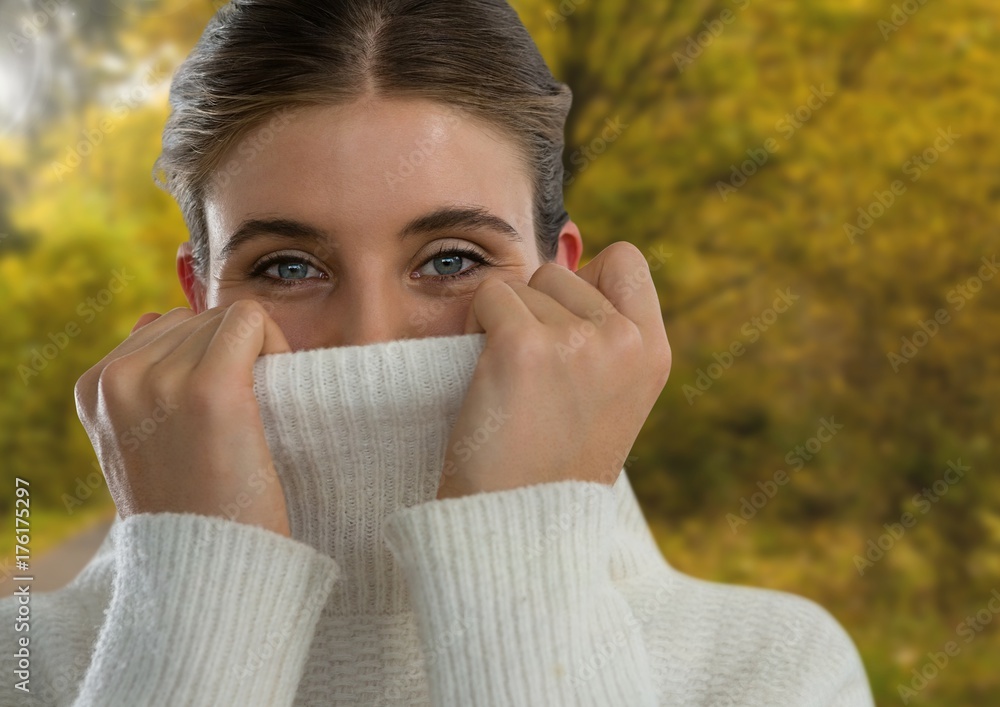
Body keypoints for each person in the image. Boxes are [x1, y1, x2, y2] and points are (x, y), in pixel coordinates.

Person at [0, 1, 876, 704]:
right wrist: (195, 587)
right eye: (289, 266)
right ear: (200, 298)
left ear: (555, 282)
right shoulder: (28, 666)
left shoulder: (771, 670)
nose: (370, 336)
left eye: (450, 260)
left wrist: (522, 549)